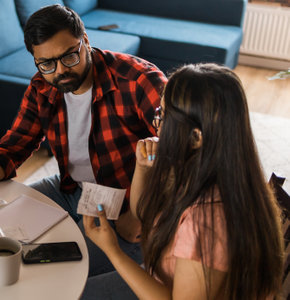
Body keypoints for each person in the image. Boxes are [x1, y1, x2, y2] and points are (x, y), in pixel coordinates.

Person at [0, 4, 167, 276]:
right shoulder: (42, 86)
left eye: (69, 56)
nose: (60, 71)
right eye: (46, 63)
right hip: (71, 188)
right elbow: (13, 147)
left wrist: (142, 215)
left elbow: (183, 151)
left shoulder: (138, 80)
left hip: (128, 204)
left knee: (62, 273)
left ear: (85, 41)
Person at [82, 63, 284, 299]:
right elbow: (142, 213)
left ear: (196, 137)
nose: (158, 125)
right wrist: (142, 167)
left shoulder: (208, 222)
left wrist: (113, 251)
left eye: (165, 117)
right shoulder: (197, 166)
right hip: (158, 278)